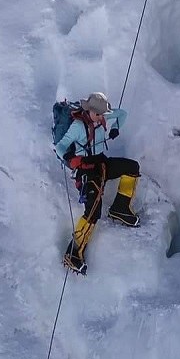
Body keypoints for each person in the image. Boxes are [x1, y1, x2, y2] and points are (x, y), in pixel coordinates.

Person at [54, 92, 140, 275]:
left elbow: (122, 113)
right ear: (90, 110)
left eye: (103, 114)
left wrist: (116, 127)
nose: (102, 117)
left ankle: (120, 208)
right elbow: (60, 147)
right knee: (92, 212)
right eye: (99, 114)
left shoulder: (102, 115)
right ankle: (73, 253)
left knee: (132, 168)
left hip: (101, 163)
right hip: (86, 169)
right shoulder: (78, 127)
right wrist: (71, 159)